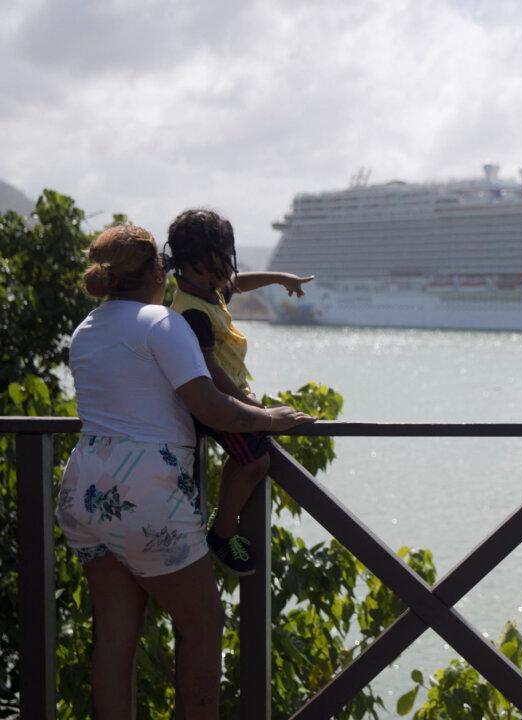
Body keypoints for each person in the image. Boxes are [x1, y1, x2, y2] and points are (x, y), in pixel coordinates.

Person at [56, 224, 314, 719]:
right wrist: (269, 418)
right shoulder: (161, 323)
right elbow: (210, 406)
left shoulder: (87, 328)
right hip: (145, 492)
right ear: (156, 270)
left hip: (84, 489)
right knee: (201, 625)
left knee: (114, 635)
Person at [164, 208, 314, 575]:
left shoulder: (204, 289)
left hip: (228, 394)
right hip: (214, 399)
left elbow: (238, 284)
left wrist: (280, 277)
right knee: (256, 459)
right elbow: (209, 371)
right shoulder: (192, 311)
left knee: (250, 452)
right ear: (191, 264)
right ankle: (222, 529)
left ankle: (221, 517)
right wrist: (248, 406)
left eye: (224, 267)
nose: (224, 277)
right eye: (216, 267)